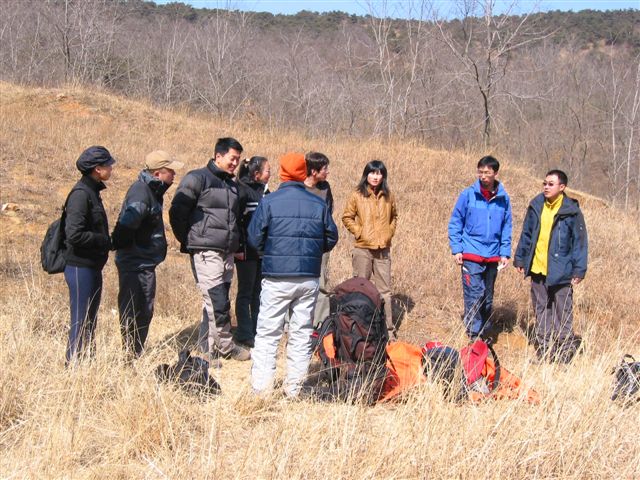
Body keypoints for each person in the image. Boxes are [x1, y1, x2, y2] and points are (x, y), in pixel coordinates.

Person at [248, 152, 338, 397]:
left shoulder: (270, 201)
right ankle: (294, 389)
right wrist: (311, 253)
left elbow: (254, 237)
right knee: (301, 333)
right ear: (303, 173)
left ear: (282, 173)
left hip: (276, 276)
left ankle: (261, 390)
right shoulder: (318, 204)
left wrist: (270, 253)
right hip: (308, 278)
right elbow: (331, 236)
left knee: (268, 333)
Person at [169, 137, 250, 361]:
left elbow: (236, 219)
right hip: (206, 251)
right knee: (217, 301)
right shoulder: (197, 178)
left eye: (238, 159)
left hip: (227, 251)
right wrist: (191, 241)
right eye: (232, 158)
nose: (235, 163)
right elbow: (177, 212)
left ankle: (209, 349)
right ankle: (224, 347)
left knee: (216, 302)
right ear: (218, 156)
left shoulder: (232, 185)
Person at [111, 150, 184, 358]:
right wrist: (127, 248)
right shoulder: (141, 192)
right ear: (158, 174)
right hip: (135, 263)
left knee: (143, 309)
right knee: (136, 310)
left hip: (142, 262)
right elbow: (126, 225)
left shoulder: (151, 191)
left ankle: (135, 352)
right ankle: (130, 355)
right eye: (170, 171)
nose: (174, 174)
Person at [514, 169, 588, 363]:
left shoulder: (571, 211)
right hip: (538, 269)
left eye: (551, 184)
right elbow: (527, 234)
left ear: (562, 187)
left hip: (562, 271)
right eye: (544, 183)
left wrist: (579, 269)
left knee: (562, 313)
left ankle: (563, 355)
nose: (546, 187)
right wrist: (520, 258)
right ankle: (545, 352)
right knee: (541, 311)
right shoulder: (536, 205)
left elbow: (580, 242)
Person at [447, 155, 512, 340]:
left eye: (487, 172)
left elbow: (507, 226)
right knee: (474, 294)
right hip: (471, 253)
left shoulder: (503, 198)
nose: (483, 176)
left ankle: (484, 330)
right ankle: (474, 333)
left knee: (487, 296)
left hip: (493, 256)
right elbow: (455, 221)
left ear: (495, 173)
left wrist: (505, 252)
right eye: (480, 172)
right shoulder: (468, 195)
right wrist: (457, 249)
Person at [63, 146, 115, 364]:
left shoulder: (92, 192)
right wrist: (104, 240)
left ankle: (87, 363)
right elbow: (74, 234)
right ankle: (73, 365)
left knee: (90, 320)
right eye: (108, 165)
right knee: (80, 319)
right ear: (97, 169)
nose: (111, 168)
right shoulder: (81, 195)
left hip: (92, 266)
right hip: (79, 266)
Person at [342, 160, 398, 338]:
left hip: (383, 249)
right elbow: (347, 217)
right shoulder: (357, 194)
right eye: (372, 173)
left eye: (379, 173)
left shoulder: (388, 195)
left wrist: (388, 233)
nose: (375, 177)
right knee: (360, 288)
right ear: (366, 175)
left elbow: (394, 217)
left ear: (383, 176)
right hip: (363, 249)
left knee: (385, 291)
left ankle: (388, 331)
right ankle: (358, 328)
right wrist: (360, 232)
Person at [234, 156, 271, 349]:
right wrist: (239, 247)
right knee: (245, 293)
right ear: (256, 174)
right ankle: (244, 332)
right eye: (267, 171)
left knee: (259, 293)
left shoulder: (265, 192)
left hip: (262, 252)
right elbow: (236, 221)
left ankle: (258, 330)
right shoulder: (242, 190)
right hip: (246, 252)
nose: (270, 174)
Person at [303, 152, 334, 327]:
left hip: (320, 242)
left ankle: (320, 323)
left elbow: (329, 213)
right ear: (314, 171)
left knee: (321, 282)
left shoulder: (325, 188)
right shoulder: (298, 187)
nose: (327, 172)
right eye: (325, 169)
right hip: (300, 243)